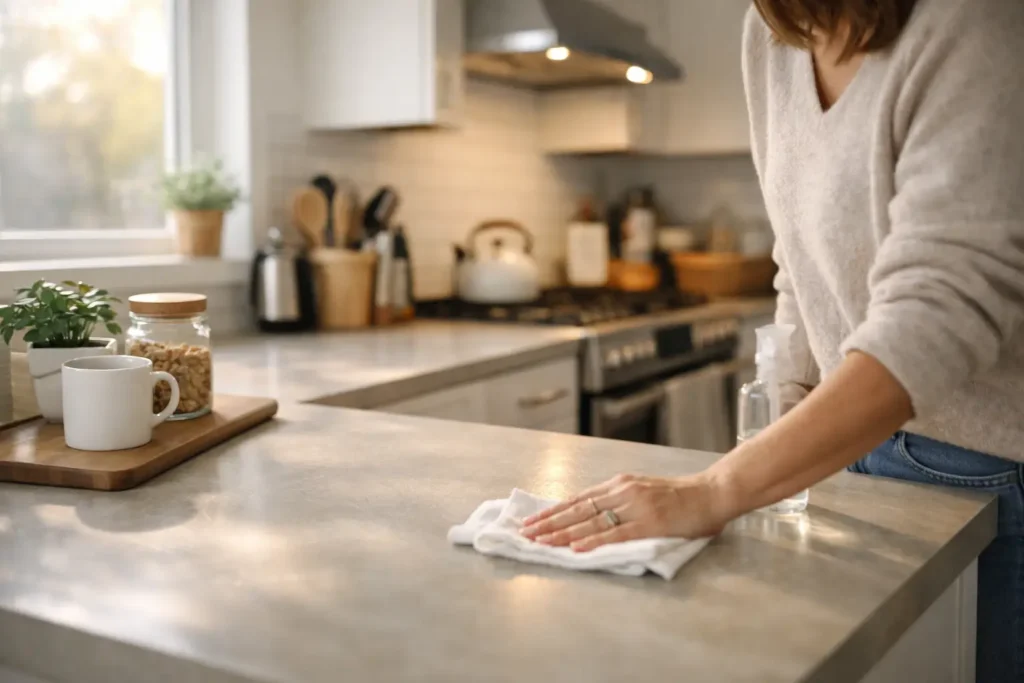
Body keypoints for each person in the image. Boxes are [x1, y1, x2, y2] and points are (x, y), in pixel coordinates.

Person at [520, 0, 1024, 677]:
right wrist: (780, 425)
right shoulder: (770, 35)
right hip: (848, 451)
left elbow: (940, 312)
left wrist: (715, 489)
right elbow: (799, 258)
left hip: (992, 471)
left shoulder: (974, 19)